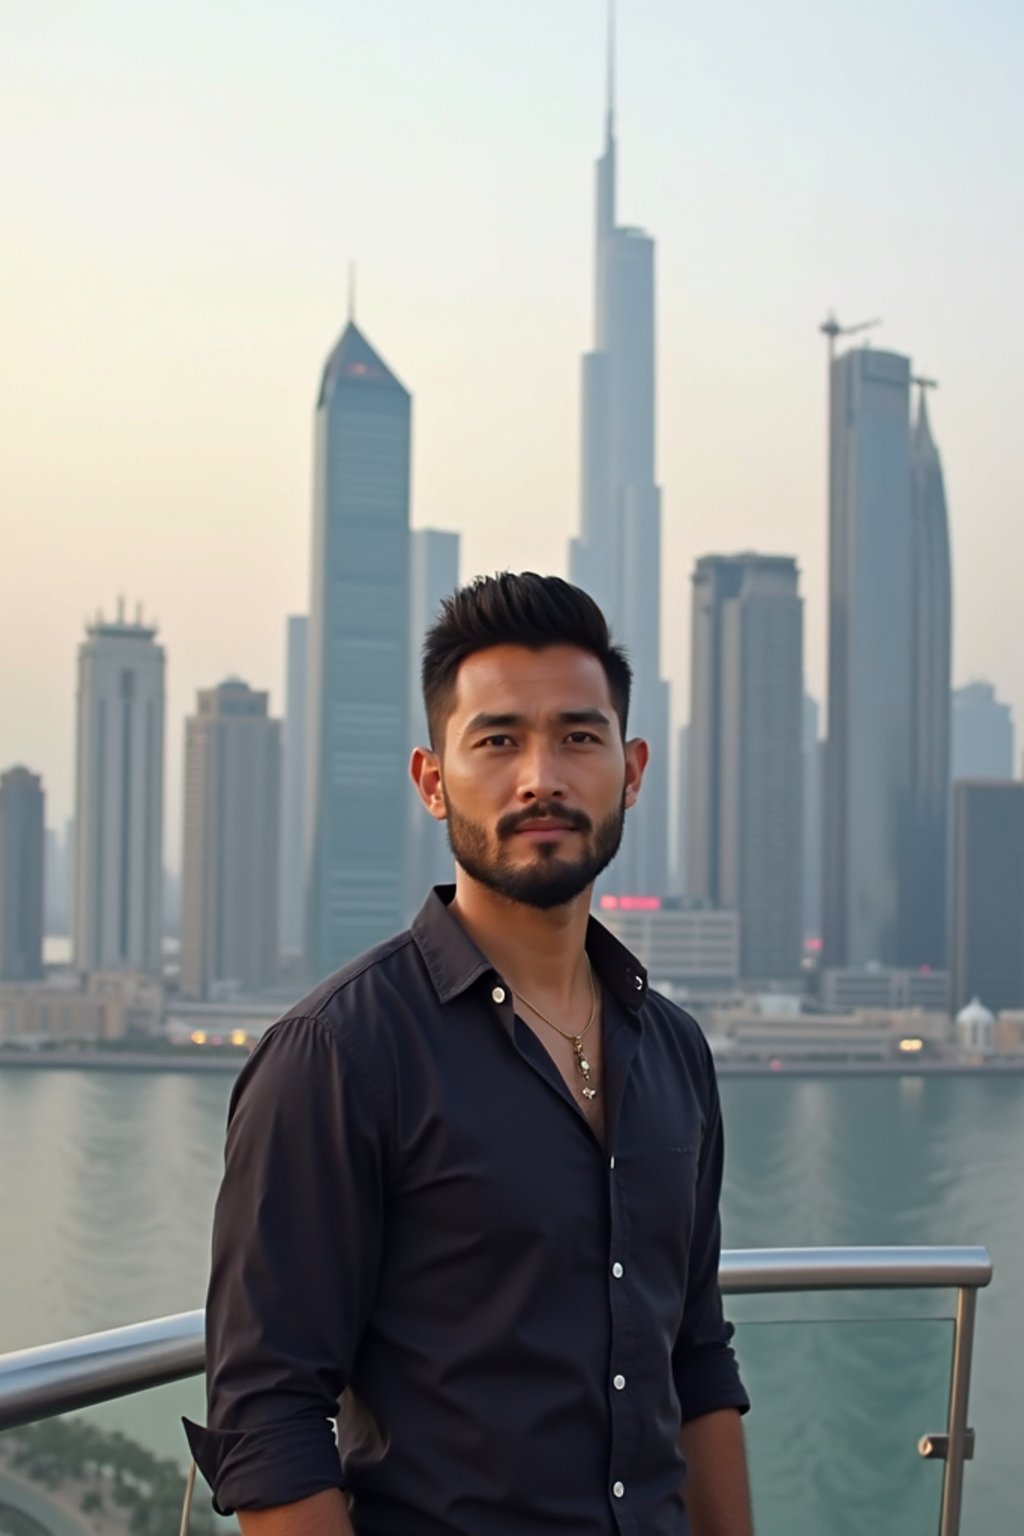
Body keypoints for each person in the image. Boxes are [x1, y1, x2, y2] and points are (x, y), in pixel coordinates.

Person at [185, 572, 752, 1536]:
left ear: (634, 769)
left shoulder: (673, 1051)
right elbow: (271, 1416)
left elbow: (694, 1356)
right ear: (432, 781)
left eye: (580, 737)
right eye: (498, 741)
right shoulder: (337, 1056)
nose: (542, 778)